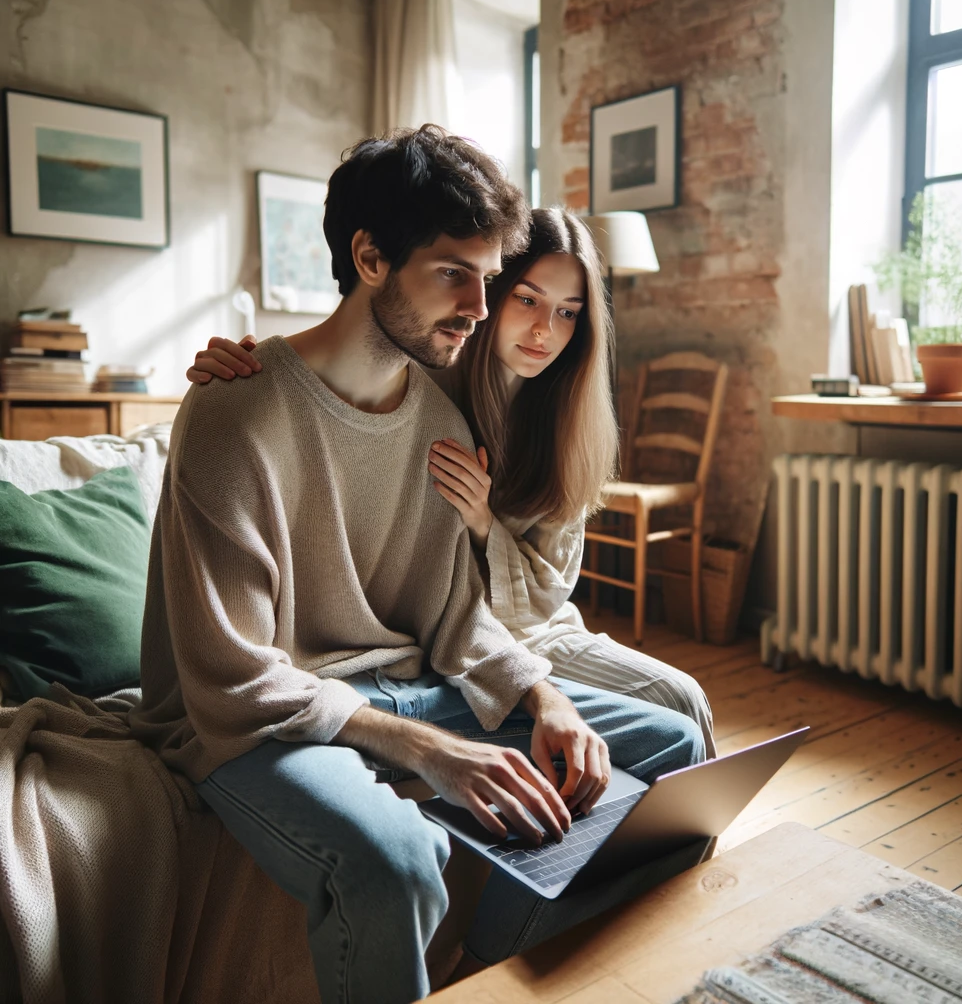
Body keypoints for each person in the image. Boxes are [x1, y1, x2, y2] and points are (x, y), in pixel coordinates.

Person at [131, 125, 706, 1004]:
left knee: (674, 745)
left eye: (488, 276)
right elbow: (231, 677)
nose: (482, 306)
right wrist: (431, 751)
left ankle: (486, 977)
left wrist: (543, 696)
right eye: (454, 273)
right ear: (369, 257)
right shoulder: (233, 415)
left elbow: (457, 621)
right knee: (397, 859)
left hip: (406, 682)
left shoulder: (441, 425)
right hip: (258, 724)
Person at [189, 207, 717, 758]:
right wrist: (255, 363)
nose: (544, 330)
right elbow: (333, 372)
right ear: (491, 291)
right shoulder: (422, 380)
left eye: (567, 312)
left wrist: (485, 523)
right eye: (527, 299)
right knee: (674, 703)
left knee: (681, 700)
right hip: (444, 633)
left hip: (530, 626)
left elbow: (546, 596)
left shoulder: (570, 419)